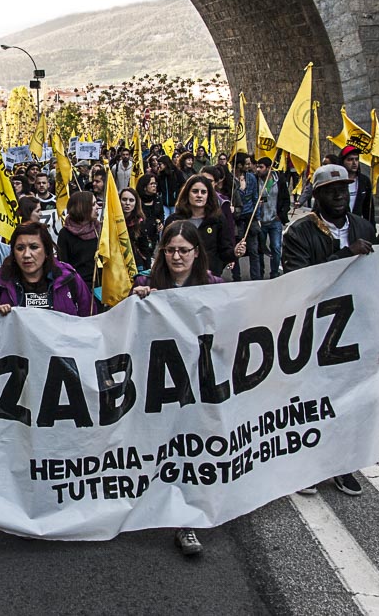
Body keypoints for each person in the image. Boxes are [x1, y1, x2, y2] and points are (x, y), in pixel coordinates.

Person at [282, 163, 379, 496]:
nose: (339, 195)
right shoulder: (299, 233)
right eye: (331, 190)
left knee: (351, 401)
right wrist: (344, 255)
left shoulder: (364, 226)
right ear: (317, 196)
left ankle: (342, 465)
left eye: (344, 189)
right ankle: (307, 468)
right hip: (318, 329)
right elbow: (298, 283)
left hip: (356, 330)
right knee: (315, 400)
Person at [130, 221, 223, 556]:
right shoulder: (147, 283)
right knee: (156, 447)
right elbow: (126, 330)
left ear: (196, 253)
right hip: (157, 382)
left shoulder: (214, 286)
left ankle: (187, 522)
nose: (177, 257)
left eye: (184, 250)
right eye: (170, 250)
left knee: (191, 451)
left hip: (197, 384)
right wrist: (136, 301)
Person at [0, 221, 93, 316]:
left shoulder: (68, 278)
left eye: (34, 247)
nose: (26, 254)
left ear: (47, 251)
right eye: (20, 248)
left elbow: (89, 321)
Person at [165, 176, 244, 277]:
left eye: (203, 192)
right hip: (179, 279)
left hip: (209, 278)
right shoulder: (174, 220)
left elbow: (224, 252)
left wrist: (235, 252)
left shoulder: (218, 220)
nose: (199, 195)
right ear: (187, 193)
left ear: (209, 195)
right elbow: (165, 251)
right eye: (195, 191)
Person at [252, 157, 290, 279]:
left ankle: (274, 273)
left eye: (261, 167)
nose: (258, 169)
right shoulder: (255, 180)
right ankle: (260, 273)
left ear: (269, 168)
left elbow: (286, 199)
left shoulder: (279, 180)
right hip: (260, 222)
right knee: (260, 249)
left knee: (276, 248)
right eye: (257, 166)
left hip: (275, 221)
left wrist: (281, 215)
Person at [57, 191, 100, 289]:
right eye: (93, 204)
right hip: (78, 287)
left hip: (100, 287)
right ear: (83, 207)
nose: (97, 207)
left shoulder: (99, 228)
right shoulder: (65, 234)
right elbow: (63, 265)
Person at [231, 153, 262, 282]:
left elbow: (255, 197)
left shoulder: (251, 178)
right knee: (236, 251)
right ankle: (236, 279)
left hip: (250, 219)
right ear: (239, 165)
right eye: (247, 163)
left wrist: (258, 217)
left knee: (254, 251)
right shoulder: (231, 179)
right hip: (236, 220)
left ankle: (256, 279)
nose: (249, 166)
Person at [338, 146, 375, 224]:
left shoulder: (364, 181)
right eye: (350, 159)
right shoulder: (336, 180)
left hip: (356, 225)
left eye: (356, 159)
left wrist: (371, 230)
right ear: (342, 161)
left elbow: (368, 209)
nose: (354, 163)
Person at [120, 187, 153, 270]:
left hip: (136, 263)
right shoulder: (113, 221)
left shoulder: (140, 222)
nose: (127, 203)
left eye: (131, 200)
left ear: (136, 203)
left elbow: (145, 248)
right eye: (124, 199)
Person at [136, 174, 164, 246]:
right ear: (145, 187)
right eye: (151, 184)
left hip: (153, 235)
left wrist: (161, 223)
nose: (154, 186)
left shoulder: (158, 199)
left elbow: (161, 215)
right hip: (140, 236)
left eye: (155, 183)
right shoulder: (137, 200)